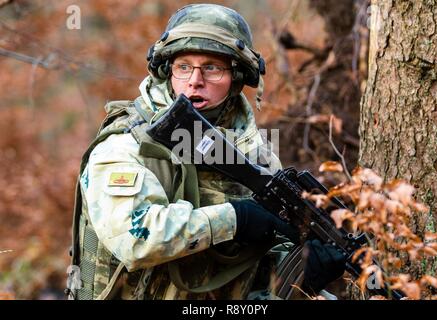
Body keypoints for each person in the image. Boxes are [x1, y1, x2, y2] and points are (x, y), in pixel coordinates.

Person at [68, 3, 345, 300]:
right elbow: (135, 240)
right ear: (167, 72)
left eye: (212, 68)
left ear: (236, 77)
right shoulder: (127, 144)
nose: (195, 80)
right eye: (183, 66)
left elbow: (257, 271)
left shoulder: (257, 154)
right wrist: (234, 218)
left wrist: (301, 273)